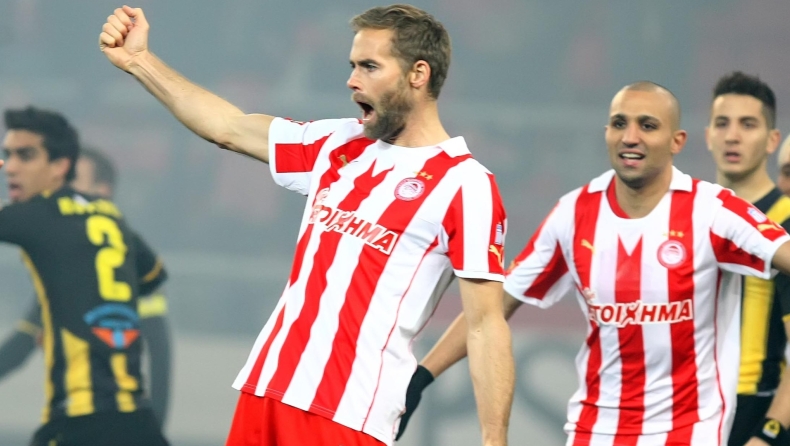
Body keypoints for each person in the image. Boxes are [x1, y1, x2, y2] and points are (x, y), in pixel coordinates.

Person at [99, 4, 514, 446]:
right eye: (353, 66)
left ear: (418, 74)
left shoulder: (465, 184)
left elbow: (485, 326)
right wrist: (140, 61)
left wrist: (494, 439)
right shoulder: (338, 144)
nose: (352, 80)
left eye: (370, 66)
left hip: (348, 413)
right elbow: (229, 127)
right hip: (267, 386)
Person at [398, 81, 790, 445]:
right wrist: (422, 376)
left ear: (677, 141)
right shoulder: (574, 213)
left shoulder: (712, 210)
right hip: (595, 431)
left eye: (647, 125)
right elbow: (493, 304)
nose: (630, 136)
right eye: (619, 123)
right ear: (606, 133)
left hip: (688, 432)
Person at [0, 106, 169, 446]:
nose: (11, 167)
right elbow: (152, 275)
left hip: (81, 421)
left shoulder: (38, 215)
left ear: (60, 166)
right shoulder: (110, 216)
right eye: (8, 154)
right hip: (139, 422)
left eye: (25, 156)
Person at [705, 72, 790, 446]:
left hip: (755, 409)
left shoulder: (785, 223)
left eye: (748, 124)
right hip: (689, 408)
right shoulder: (688, 216)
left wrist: (769, 433)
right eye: (722, 123)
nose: (732, 136)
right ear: (708, 135)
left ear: (772, 140)